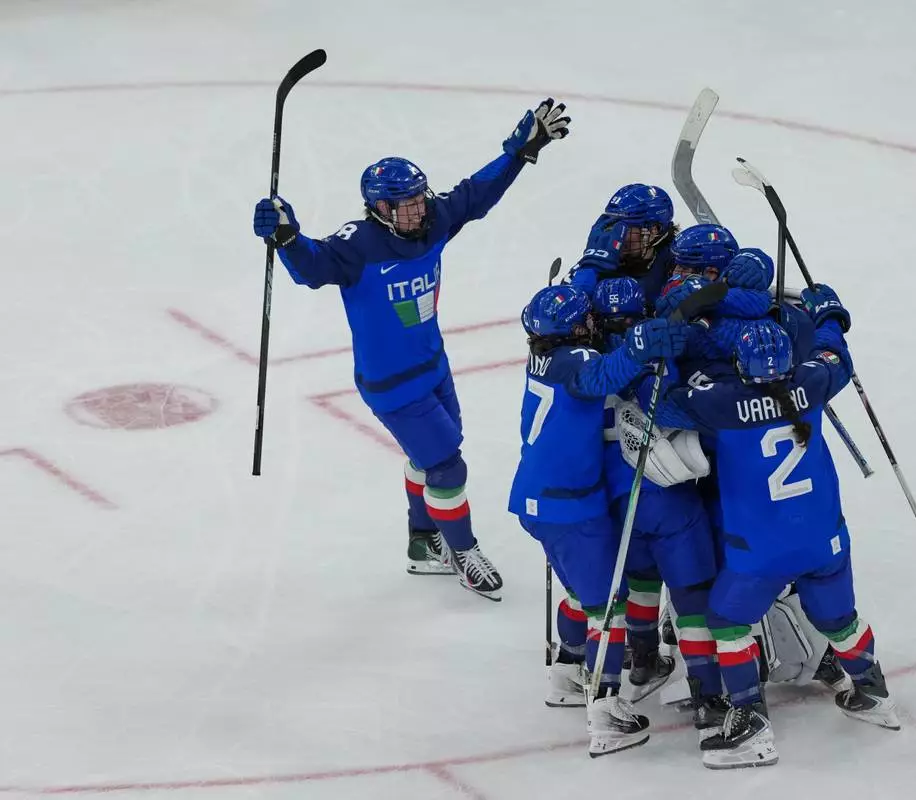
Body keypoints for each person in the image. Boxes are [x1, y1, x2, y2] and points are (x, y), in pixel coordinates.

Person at [252, 98, 570, 601]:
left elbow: (475, 195)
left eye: (421, 199)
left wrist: (520, 151)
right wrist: (288, 238)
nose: (420, 209)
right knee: (447, 465)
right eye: (408, 204)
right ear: (380, 209)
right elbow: (313, 266)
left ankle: (423, 544)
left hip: (433, 366)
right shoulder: (358, 245)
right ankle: (462, 551)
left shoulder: (431, 220)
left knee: (435, 457)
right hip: (392, 385)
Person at [651, 289, 900, 771]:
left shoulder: (723, 401)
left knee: (726, 623)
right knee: (839, 619)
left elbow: (665, 406)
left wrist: (660, 358)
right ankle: (872, 693)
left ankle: (750, 723)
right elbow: (835, 354)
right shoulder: (810, 382)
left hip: (761, 554)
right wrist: (828, 313)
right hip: (825, 539)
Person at [508, 284, 689, 757]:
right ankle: (606, 710)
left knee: (582, 592)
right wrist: (640, 344)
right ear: (570, 330)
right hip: (571, 507)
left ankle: (566, 672)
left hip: (535, 499)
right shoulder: (575, 363)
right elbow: (604, 374)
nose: (592, 324)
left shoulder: (543, 358)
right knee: (610, 606)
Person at [591, 278, 721, 706]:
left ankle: (644, 660)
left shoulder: (592, 362)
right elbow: (682, 410)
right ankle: (706, 696)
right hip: (665, 498)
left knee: (641, 579)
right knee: (690, 593)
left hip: (614, 497)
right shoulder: (657, 355)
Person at [566, 184, 678, 299]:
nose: (616, 235)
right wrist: (589, 271)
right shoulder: (600, 261)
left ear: (654, 230)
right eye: (613, 225)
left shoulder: (677, 262)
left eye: (625, 227)